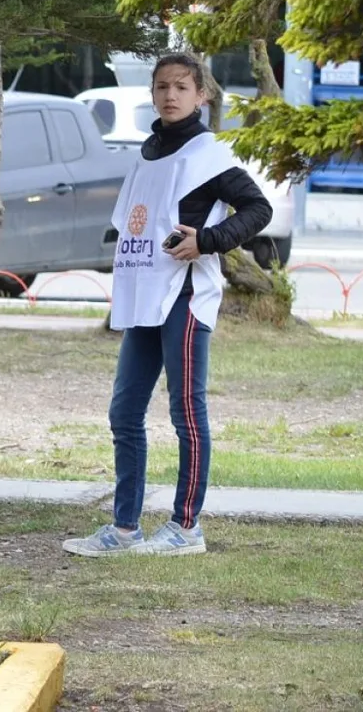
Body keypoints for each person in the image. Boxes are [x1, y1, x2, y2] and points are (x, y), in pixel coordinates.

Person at [63, 53, 272, 558]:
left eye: (181, 86)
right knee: (125, 412)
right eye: (161, 87)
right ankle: (125, 528)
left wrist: (209, 240)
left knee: (186, 412)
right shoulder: (148, 151)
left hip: (183, 296)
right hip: (142, 296)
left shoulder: (209, 153)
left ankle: (185, 527)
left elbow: (258, 208)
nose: (170, 95)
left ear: (202, 95)